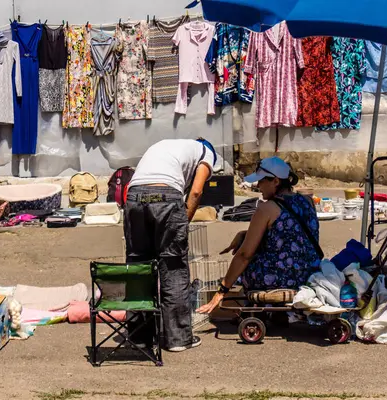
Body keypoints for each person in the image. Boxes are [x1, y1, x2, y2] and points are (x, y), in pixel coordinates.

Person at [124, 138, 217, 352]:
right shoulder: (207, 153)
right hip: (166, 197)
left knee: (139, 265)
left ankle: (140, 337)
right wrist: (182, 222)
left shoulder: (168, 145)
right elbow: (195, 192)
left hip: (134, 196)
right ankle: (178, 339)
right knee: (173, 266)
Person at [197, 156, 320, 314]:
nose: (258, 186)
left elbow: (244, 255)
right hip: (309, 273)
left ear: (275, 181)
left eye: (261, 181)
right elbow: (291, 235)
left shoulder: (266, 208)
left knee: (245, 266)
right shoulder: (307, 201)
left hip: (282, 278)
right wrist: (244, 234)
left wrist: (221, 291)